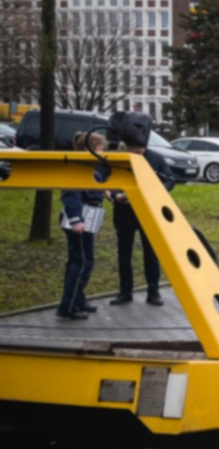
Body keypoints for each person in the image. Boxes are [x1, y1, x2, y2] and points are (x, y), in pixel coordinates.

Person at [110, 135, 175, 307]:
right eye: (131, 150)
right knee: (124, 254)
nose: (135, 153)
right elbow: (110, 179)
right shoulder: (121, 158)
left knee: (151, 254)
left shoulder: (156, 159)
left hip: (148, 212)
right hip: (124, 213)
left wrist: (156, 193)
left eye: (138, 151)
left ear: (144, 147)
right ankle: (125, 292)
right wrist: (115, 195)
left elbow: (170, 180)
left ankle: (153, 292)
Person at [57, 132, 108, 320]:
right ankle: (68, 306)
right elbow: (70, 196)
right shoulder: (76, 170)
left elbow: (92, 190)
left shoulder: (91, 171)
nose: (102, 155)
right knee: (80, 262)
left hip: (87, 219)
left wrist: (103, 192)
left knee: (84, 261)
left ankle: (78, 299)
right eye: (100, 150)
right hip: (79, 221)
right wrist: (75, 220)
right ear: (88, 150)